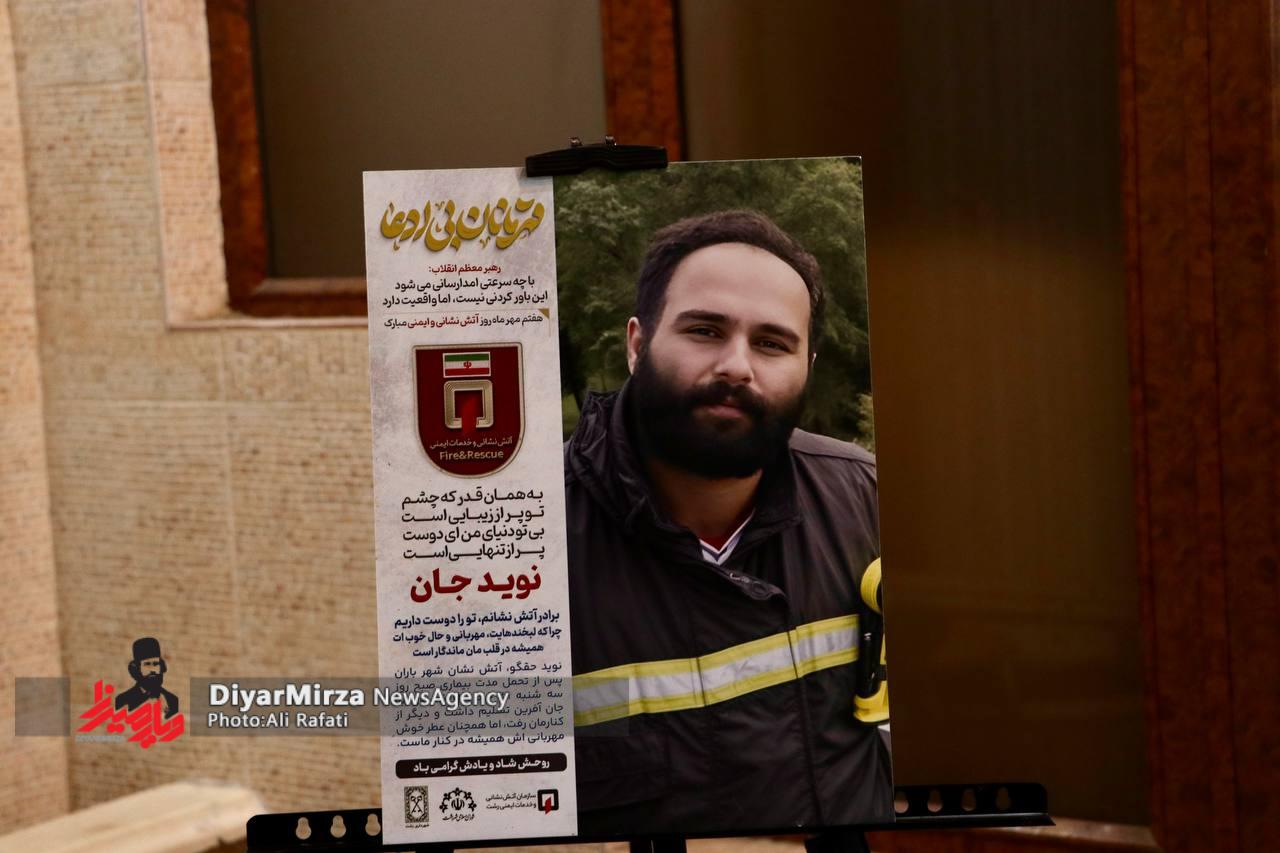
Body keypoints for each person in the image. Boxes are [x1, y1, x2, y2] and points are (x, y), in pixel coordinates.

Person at [564, 210, 891, 834]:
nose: (737, 366)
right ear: (636, 344)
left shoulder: (869, 500)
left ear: (808, 364)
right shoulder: (519, 543)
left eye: (771, 343)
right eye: (705, 330)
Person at [114, 637, 180, 719]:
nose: (152, 670)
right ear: (137, 669)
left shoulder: (173, 700)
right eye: (147, 664)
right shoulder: (122, 700)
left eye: (155, 664)